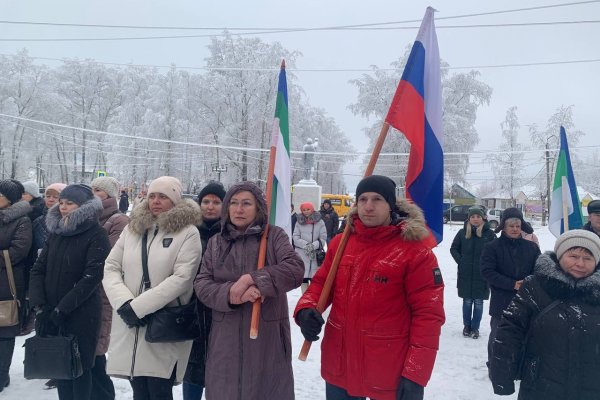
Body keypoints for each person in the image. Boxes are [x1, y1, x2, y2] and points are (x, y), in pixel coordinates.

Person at [294, 175, 445, 400]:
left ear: (391, 205)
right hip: (340, 364)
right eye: (362, 199)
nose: (368, 206)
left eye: (377, 199)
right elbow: (321, 284)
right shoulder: (341, 243)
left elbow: (428, 316)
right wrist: (306, 309)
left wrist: (416, 373)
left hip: (386, 369)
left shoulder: (414, 251)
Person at [195, 181, 304, 400]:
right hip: (225, 341)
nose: (238, 209)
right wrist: (233, 293)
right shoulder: (217, 242)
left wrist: (253, 278)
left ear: (258, 209)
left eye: (246, 203)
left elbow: (294, 269)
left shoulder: (274, 237)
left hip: (267, 340)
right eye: (233, 203)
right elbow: (202, 284)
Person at [103, 176, 202, 400]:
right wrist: (124, 303)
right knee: (139, 389)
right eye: (152, 196)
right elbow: (111, 267)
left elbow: (182, 278)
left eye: (163, 196)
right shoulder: (133, 230)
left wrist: (138, 308)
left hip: (162, 322)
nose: (156, 201)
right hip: (130, 322)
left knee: (159, 389)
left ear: (176, 200)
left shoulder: (187, 233)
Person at [490, 229, 600, 399]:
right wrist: (502, 376)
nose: (580, 264)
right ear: (560, 257)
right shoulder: (535, 286)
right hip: (540, 387)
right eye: (573, 256)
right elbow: (510, 331)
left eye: (588, 258)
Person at [29, 184, 110, 400]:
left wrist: (61, 310)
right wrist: (40, 306)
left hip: (81, 314)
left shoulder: (96, 234)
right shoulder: (57, 233)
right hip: (51, 310)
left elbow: (91, 277)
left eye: (70, 203)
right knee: (60, 369)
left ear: (84, 207)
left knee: (80, 370)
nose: (63, 207)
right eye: (61, 203)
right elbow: (38, 269)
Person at [480, 207, 540, 371]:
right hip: (501, 300)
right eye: (511, 225)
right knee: (498, 335)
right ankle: (494, 365)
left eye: (518, 226)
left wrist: (529, 283)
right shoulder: (492, 247)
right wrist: (512, 284)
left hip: (526, 300)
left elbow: (539, 271)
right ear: (503, 227)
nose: (514, 229)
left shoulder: (532, 248)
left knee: (523, 335)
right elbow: (487, 272)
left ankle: (518, 367)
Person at [182, 181, 226, 400]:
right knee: (193, 362)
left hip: (221, 307)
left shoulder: (231, 233)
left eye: (216, 202)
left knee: (219, 364)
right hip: (191, 306)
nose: (210, 206)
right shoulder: (188, 232)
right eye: (205, 201)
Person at [90, 176, 130, 400]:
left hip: (102, 291)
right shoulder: (88, 216)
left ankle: (104, 395)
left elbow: (110, 256)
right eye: (92, 189)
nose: (94, 192)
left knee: (97, 347)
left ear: (110, 194)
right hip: (84, 290)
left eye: (99, 190)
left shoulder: (118, 220)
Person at [0, 179, 32, 391]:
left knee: (4, 330)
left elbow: (18, 252)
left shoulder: (22, 221)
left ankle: (1, 375)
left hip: (7, 282)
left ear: (10, 199)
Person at [450, 206, 496, 339]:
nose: (475, 219)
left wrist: (488, 265)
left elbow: (495, 253)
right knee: (467, 301)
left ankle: (475, 328)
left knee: (479, 302)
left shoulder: (490, 235)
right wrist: (461, 261)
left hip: (482, 275)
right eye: (473, 217)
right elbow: (454, 249)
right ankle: (467, 326)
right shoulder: (462, 233)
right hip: (466, 274)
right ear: (469, 219)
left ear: (483, 218)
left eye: (478, 217)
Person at [293, 202, 327, 293]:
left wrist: (313, 246)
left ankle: (312, 299)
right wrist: (306, 245)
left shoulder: (320, 222)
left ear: (312, 209)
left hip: (315, 254)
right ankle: (305, 299)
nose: (306, 212)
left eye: (308, 209)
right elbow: (295, 237)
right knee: (303, 280)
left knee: (314, 280)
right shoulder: (298, 222)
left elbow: (323, 238)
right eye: (304, 210)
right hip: (302, 254)